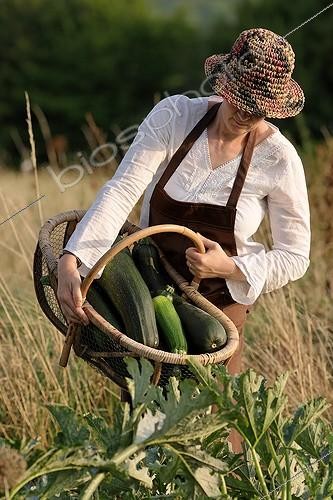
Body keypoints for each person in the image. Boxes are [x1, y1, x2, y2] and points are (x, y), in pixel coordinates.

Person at [57, 28, 311, 448]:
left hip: (219, 311)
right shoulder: (175, 117)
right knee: (145, 433)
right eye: (240, 100)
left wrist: (227, 266)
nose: (246, 114)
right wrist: (75, 258)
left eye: (259, 108)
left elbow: (295, 255)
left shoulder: (279, 159)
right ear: (223, 84)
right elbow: (123, 190)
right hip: (149, 289)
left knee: (211, 441)